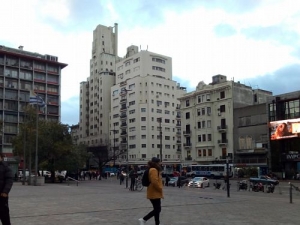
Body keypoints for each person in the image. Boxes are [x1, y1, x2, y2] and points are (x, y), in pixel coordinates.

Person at [138, 157, 163, 225]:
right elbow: (154, 181)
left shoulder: (152, 169)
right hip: (154, 192)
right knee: (157, 209)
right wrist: (160, 188)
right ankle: (144, 219)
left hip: (154, 192)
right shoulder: (153, 170)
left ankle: (157, 223)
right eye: (159, 162)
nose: (160, 163)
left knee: (157, 209)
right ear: (156, 163)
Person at [0, 153, 13, 225]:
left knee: (4, 217)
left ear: (1, 157)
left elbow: (9, 180)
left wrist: (5, 192)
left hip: (2, 196)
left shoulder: (5, 167)